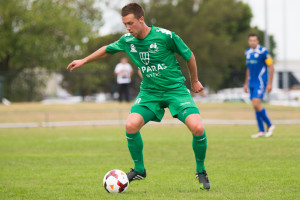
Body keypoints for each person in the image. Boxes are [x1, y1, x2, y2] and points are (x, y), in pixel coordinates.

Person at [67, 3, 210, 190]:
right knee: (130, 125)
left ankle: (200, 171)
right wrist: (84, 60)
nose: (127, 27)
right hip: (149, 93)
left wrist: (194, 81)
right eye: (124, 24)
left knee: (198, 128)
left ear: (141, 19)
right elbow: (107, 50)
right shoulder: (127, 40)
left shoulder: (165, 36)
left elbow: (189, 55)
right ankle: (139, 169)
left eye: (130, 23)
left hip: (175, 90)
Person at [244, 33, 275, 138]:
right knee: (255, 106)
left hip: (260, 82)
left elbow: (271, 66)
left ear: (258, 41)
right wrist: (245, 83)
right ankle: (261, 130)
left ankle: (270, 125)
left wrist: (270, 83)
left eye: (254, 40)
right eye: (250, 40)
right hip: (251, 83)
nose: (252, 42)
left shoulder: (264, 52)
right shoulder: (247, 52)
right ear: (249, 41)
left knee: (256, 104)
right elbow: (248, 69)